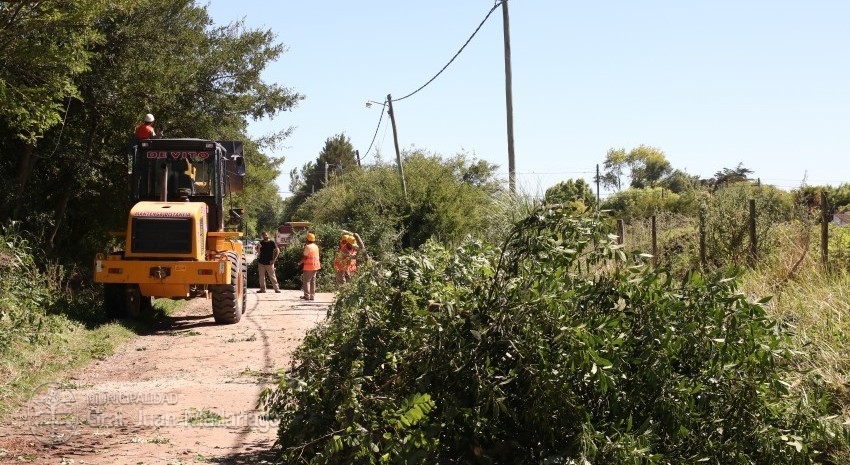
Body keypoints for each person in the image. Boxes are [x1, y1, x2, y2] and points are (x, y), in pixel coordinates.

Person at [299, 232, 321, 300]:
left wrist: (299, 263)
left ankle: (306, 296)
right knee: (313, 281)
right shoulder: (316, 246)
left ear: (307, 239)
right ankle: (312, 296)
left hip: (309, 266)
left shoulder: (307, 246)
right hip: (315, 266)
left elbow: (305, 257)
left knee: (306, 281)